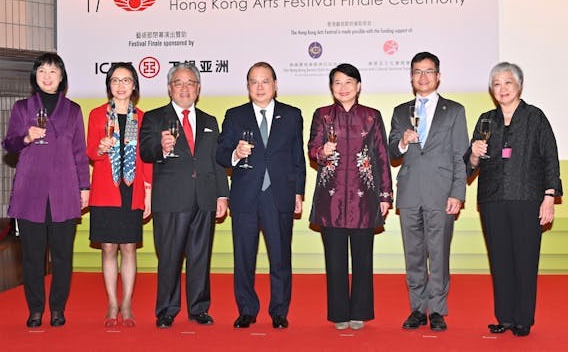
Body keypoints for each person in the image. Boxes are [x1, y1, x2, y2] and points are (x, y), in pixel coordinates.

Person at [465, 62, 562, 337]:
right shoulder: (486, 119)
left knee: (525, 260)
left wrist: (549, 196)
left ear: (519, 85)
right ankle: (505, 317)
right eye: (496, 84)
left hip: (527, 198)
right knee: (500, 261)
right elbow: (470, 166)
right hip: (492, 199)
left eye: (508, 82)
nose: (502, 88)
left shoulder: (535, 117)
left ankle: (523, 319)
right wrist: (474, 154)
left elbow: (550, 158)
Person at [2, 52, 90, 328]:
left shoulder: (73, 110)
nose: (47, 77)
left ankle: (58, 308)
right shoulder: (22, 108)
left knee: (63, 256)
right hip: (31, 191)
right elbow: (9, 144)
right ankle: (36, 309)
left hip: (65, 191)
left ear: (61, 77)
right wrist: (26, 137)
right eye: (42, 71)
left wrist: (84, 187)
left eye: (53, 71)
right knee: (32, 256)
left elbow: (79, 152)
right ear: (35, 76)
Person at [216, 61, 306, 330]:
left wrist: (298, 192)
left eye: (265, 81)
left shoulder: (291, 115)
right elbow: (221, 154)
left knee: (280, 257)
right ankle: (247, 310)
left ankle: (279, 311)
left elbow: (297, 157)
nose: (259, 87)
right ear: (247, 87)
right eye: (253, 82)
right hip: (245, 195)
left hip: (279, 195)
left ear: (275, 85)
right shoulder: (235, 115)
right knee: (244, 257)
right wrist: (235, 154)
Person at [139, 62, 229, 328]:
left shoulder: (210, 121)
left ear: (198, 88)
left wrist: (222, 195)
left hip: (204, 198)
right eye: (179, 83)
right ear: (170, 88)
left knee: (201, 256)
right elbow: (145, 151)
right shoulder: (155, 117)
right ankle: (166, 309)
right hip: (171, 199)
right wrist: (161, 147)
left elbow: (216, 161)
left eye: (191, 83)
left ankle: (199, 308)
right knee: (169, 257)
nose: (185, 88)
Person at [388, 51, 469, 331]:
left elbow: (460, 155)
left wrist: (457, 193)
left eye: (428, 71)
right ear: (411, 77)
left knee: (439, 254)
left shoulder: (454, 110)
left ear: (438, 76)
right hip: (410, 192)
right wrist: (402, 142)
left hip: (441, 192)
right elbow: (391, 152)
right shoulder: (401, 111)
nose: (423, 77)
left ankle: (436, 310)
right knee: (413, 255)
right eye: (417, 72)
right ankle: (416, 308)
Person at [308, 63, 392, 331]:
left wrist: (385, 195)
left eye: (348, 82)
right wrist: (321, 151)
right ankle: (339, 313)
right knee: (334, 260)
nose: (343, 88)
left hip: (364, 197)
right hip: (331, 198)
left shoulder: (371, 116)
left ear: (358, 86)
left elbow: (381, 156)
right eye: (337, 83)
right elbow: (312, 149)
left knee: (363, 259)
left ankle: (360, 312)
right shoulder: (322, 115)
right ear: (331, 87)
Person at [87, 62, 152, 327]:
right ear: (109, 86)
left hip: (132, 190)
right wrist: (101, 148)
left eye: (126, 80)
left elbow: (146, 159)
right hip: (106, 190)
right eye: (115, 80)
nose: (121, 85)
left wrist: (148, 193)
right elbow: (90, 152)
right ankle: (112, 303)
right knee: (108, 248)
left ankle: (126, 304)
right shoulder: (97, 115)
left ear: (134, 85)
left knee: (128, 248)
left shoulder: (143, 118)